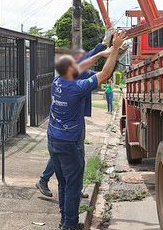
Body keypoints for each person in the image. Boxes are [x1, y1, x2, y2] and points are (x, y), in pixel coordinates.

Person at [48, 31, 124, 230]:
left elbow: (82, 66)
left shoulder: (58, 83)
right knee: (73, 184)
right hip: (69, 142)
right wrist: (115, 48)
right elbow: (105, 74)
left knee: (63, 182)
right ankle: (70, 226)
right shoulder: (75, 88)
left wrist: (101, 53)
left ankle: (65, 220)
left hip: (53, 139)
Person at [36, 31, 113, 198]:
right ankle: (55, 183)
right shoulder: (73, 78)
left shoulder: (64, 78)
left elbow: (100, 71)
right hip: (70, 125)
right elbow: (98, 68)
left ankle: (71, 188)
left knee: (70, 153)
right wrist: (107, 49)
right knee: (70, 153)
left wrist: (108, 50)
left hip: (69, 122)